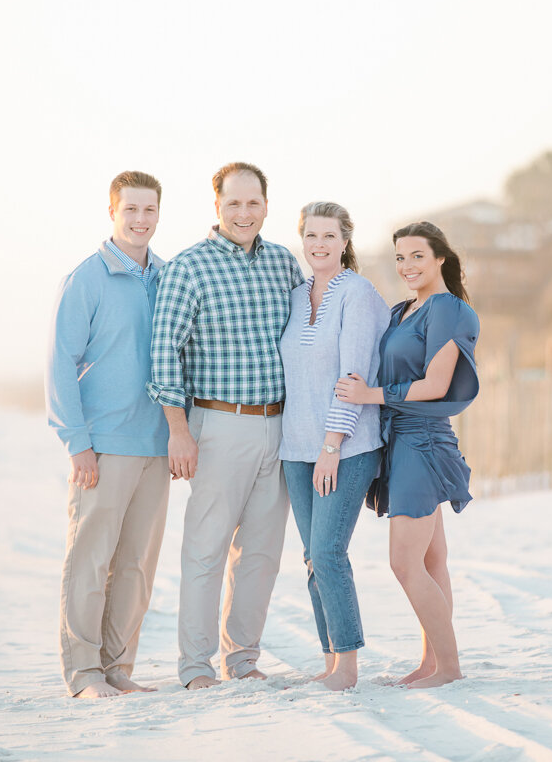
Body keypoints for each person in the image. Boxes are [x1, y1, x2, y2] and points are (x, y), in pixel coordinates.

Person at [148, 162, 305, 690]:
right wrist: (178, 430)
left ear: (266, 205)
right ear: (217, 206)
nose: (244, 213)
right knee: (206, 549)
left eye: (253, 203)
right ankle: (195, 668)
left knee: (261, 554)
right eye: (233, 203)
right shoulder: (189, 268)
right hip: (217, 425)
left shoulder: (284, 263)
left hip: (278, 427)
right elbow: (163, 353)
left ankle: (243, 661)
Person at [335, 220, 480, 690]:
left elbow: (436, 386)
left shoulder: (447, 309)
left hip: (422, 441)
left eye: (417, 255)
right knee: (433, 562)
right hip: (398, 441)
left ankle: (451, 669)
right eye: (400, 257)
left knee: (404, 563)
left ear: (440, 257)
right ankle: (431, 664)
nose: (407, 265)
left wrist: (370, 395)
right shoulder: (403, 311)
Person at [46, 171, 170, 699]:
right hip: (104, 444)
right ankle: (83, 673)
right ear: (113, 213)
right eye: (131, 210)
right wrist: (77, 443)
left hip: (157, 446)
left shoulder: (167, 277)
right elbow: (59, 364)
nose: (140, 220)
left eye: (149, 210)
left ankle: (118, 667)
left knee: (137, 566)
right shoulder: (87, 278)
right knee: (90, 561)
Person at [279, 201, 387, 692]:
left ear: (345, 241)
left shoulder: (358, 294)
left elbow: (354, 375)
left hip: (344, 447)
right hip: (296, 449)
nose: (318, 244)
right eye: (310, 236)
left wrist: (331, 444)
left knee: (327, 553)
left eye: (329, 236)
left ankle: (347, 667)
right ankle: (328, 662)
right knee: (311, 558)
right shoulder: (298, 295)